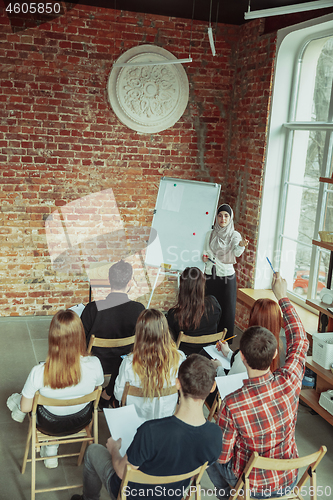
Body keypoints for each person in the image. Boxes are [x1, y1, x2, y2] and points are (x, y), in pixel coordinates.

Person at [207, 273, 309, 499]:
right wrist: (282, 297)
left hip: (253, 486)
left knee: (207, 451)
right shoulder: (290, 381)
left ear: (241, 357)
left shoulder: (233, 404)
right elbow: (300, 339)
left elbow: (222, 458)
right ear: (275, 353)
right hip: (289, 477)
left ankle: (230, 496)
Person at [70, 354, 222, 500]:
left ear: (177, 383)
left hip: (132, 494)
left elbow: (122, 472)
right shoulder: (215, 435)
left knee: (92, 451)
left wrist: (114, 449)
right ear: (212, 387)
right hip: (174, 494)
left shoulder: (151, 431)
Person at [7, 309, 104, 469]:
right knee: (60, 402)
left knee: (26, 402)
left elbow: (27, 408)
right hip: (80, 421)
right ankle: (51, 448)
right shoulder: (95, 364)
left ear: (53, 338)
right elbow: (95, 388)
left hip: (48, 424)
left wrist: (22, 406)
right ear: (81, 335)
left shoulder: (39, 372)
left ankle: (50, 443)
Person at [81, 260, 145, 408]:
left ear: (109, 280)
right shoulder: (139, 310)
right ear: (129, 283)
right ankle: (109, 393)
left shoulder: (92, 309)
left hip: (95, 363)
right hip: (125, 363)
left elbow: (79, 340)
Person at [114, 309, 186, 419]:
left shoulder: (128, 363)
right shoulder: (180, 358)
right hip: (167, 418)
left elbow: (119, 395)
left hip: (137, 421)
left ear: (139, 334)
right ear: (165, 331)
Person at [202, 204, 248, 344]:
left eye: (226, 216)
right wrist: (204, 257)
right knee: (209, 307)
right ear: (216, 217)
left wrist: (241, 245)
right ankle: (209, 338)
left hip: (227, 277)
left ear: (230, 218)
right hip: (210, 275)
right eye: (220, 215)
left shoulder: (234, 235)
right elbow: (204, 251)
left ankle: (225, 342)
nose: (223, 218)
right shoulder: (209, 233)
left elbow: (236, 252)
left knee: (226, 309)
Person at [213, 297, 284, 377]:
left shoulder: (245, 357)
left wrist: (218, 367)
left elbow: (227, 385)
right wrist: (228, 352)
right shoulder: (276, 349)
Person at [166, 267, 221, 355]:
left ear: (182, 287)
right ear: (202, 285)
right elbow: (217, 323)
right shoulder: (213, 304)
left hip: (186, 358)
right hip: (210, 355)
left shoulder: (174, 314)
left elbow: (172, 341)